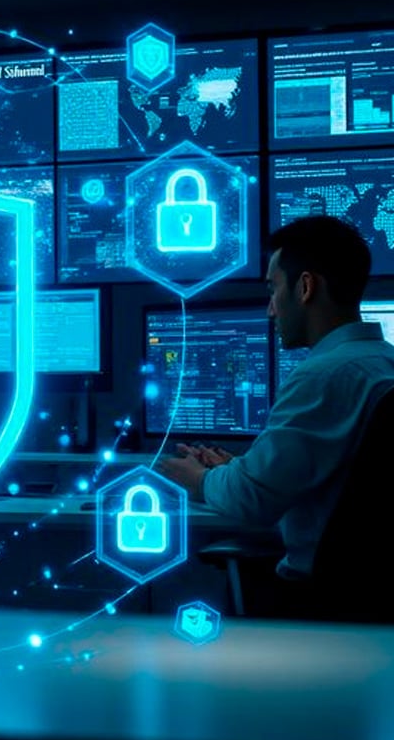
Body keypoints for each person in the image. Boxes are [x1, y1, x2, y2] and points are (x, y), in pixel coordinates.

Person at [158, 216, 394, 612]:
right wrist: (236, 470)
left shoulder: (324, 376)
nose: (270, 310)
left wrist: (198, 480)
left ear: (305, 287)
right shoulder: (382, 364)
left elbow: (253, 501)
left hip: (317, 599)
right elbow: (324, 482)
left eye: (273, 289)